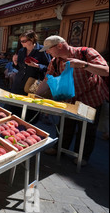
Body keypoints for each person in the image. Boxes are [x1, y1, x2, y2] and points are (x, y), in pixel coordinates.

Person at [36, 35, 109, 165]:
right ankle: (59, 149)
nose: (47, 52)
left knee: (87, 129)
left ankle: (82, 156)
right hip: (70, 99)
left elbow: (106, 71)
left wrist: (85, 65)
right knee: (65, 125)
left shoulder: (86, 52)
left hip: (91, 98)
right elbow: (47, 78)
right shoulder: (55, 61)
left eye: (48, 49)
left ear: (59, 45)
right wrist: (36, 95)